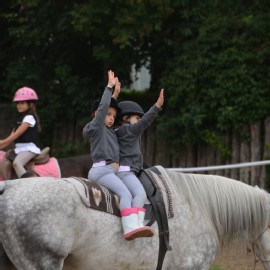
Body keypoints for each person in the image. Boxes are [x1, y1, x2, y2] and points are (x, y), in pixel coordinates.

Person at [83, 70, 153, 240]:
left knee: (132, 193)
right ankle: (130, 228)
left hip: (110, 172)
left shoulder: (112, 132)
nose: (112, 118)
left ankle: (137, 225)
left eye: (114, 116)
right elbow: (103, 109)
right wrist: (109, 88)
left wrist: (115, 96)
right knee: (126, 194)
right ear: (97, 115)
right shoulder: (96, 127)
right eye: (108, 114)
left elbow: (109, 110)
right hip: (102, 171)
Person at [115, 88, 164, 230]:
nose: (139, 121)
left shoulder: (119, 131)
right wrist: (157, 107)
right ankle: (134, 225)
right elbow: (145, 122)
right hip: (126, 171)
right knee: (140, 194)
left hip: (130, 170)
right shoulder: (128, 130)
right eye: (136, 117)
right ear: (125, 118)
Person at [0, 87, 41, 178]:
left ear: (30, 104)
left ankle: (29, 185)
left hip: (29, 148)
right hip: (19, 149)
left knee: (17, 163)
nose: (19, 105)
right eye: (17, 103)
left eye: (22, 103)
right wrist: (2, 144)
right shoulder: (19, 120)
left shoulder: (29, 118)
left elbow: (17, 134)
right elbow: (11, 137)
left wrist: (2, 142)